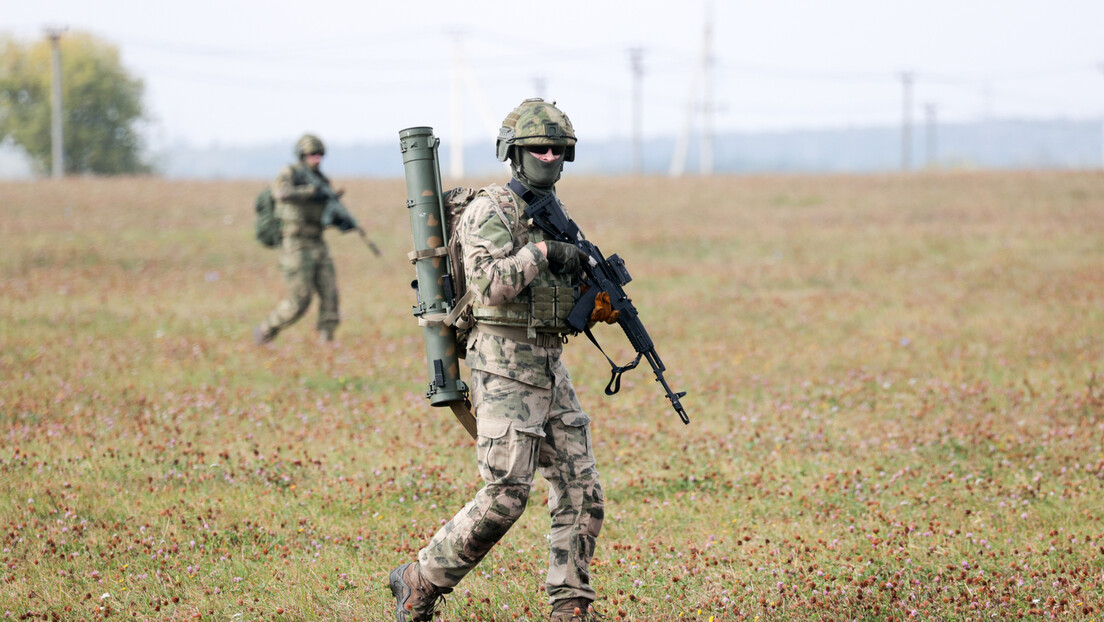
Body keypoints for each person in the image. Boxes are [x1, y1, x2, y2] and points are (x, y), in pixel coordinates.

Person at [389, 99, 617, 622]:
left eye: (558, 147)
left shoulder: (554, 213)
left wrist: (592, 300)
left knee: (582, 488)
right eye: (539, 145)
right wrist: (542, 255)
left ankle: (571, 605)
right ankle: (420, 579)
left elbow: (553, 289)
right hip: (501, 364)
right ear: (514, 152)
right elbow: (490, 285)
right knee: (507, 494)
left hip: (547, 363)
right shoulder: (490, 211)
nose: (550, 153)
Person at [253, 134, 360, 345]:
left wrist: (340, 221)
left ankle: (326, 342)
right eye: (312, 154)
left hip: (317, 241)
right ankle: (265, 331)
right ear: (302, 155)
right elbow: (280, 193)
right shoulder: (290, 174)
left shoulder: (322, 180)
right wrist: (310, 192)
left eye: (319, 154)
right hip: (295, 244)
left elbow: (325, 212)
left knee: (330, 294)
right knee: (300, 300)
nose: (317, 159)